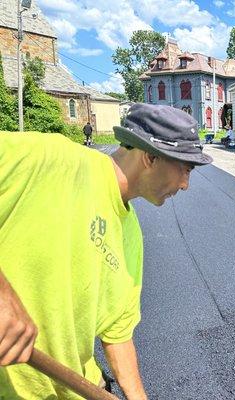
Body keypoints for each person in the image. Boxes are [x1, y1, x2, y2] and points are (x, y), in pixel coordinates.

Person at [0, 104, 212, 399]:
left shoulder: (131, 235)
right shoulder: (49, 159)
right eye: (184, 169)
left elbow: (118, 332)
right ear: (150, 156)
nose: (185, 185)